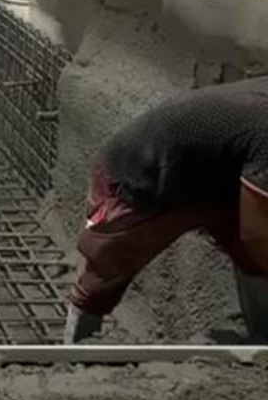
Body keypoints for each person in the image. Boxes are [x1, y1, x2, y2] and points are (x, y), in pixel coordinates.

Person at [65, 78, 268, 344]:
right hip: (139, 178)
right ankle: (75, 351)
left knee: (253, 261)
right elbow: (257, 233)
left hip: (214, 179)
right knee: (102, 274)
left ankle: (262, 340)